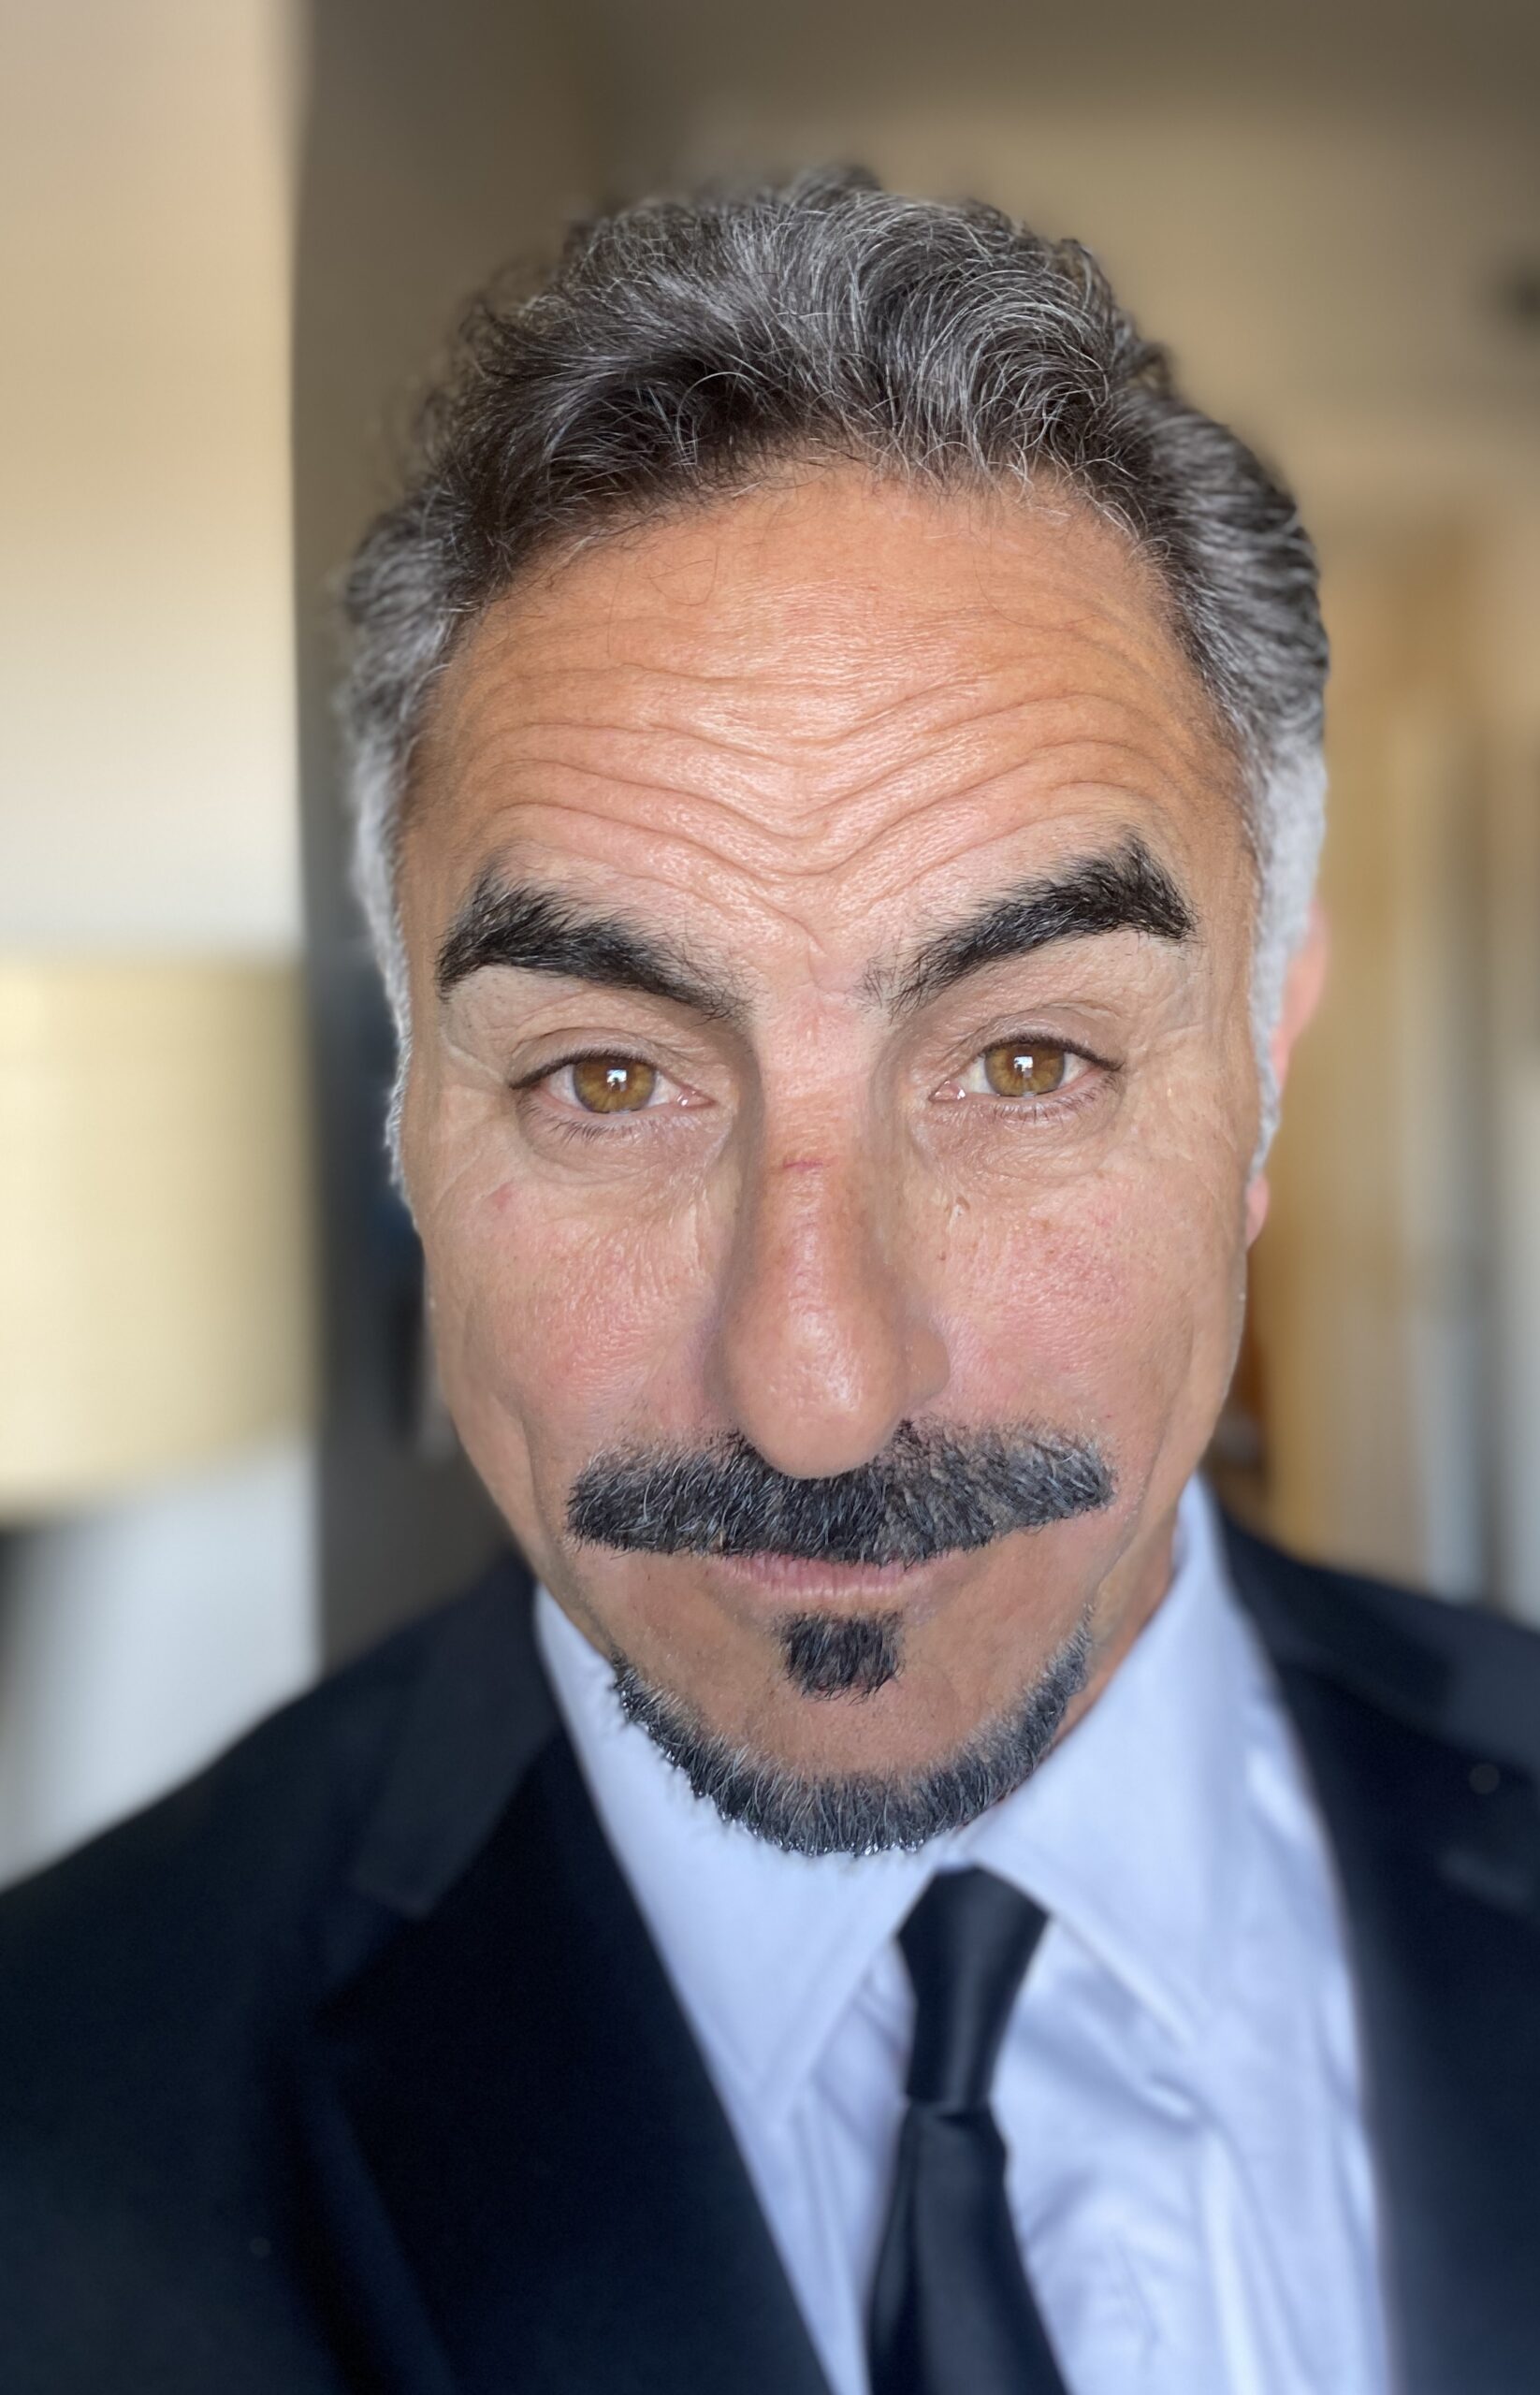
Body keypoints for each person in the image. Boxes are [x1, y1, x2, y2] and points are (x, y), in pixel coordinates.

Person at [2, 169, 1537, 2395]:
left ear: (1265, 1061)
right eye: (609, 1077)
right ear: (410, 1109)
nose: (814, 1392)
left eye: (1026, 1060)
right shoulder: (50, 2136)